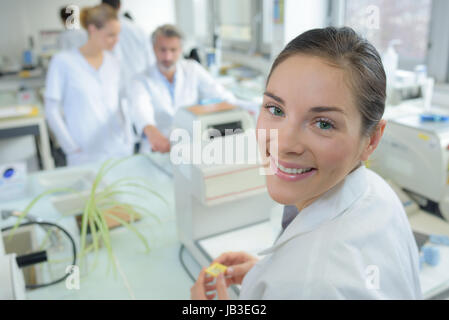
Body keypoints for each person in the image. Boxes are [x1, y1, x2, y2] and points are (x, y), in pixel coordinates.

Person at [190, 27, 422, 300]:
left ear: (371, 139)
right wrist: (269, 273)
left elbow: (314, 282)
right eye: (275, 109)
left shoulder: (305, 285)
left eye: (323, 123)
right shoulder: (377, 191)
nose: (284, 144)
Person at [129, 24, 258, 154]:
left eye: (173, 50)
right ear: (153, 49)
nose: (167, 57)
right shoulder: (140, 80)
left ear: (181, 49)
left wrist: (250, 108)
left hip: (189, 145)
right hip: (156, 148)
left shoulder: (192, 69)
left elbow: (220, 94)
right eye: (162, 50)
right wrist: (151, 131)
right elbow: (141, 109)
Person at [45, 4, 134, 166]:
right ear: (92, 30)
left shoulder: (114, 63)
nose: (116, 40)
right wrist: (70, 147)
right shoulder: (63, 62)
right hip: (84, 152)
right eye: (111, 35)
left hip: (118, 148)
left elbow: (122, 103)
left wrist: (128, 139)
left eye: (118, 35)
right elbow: (51, 109)